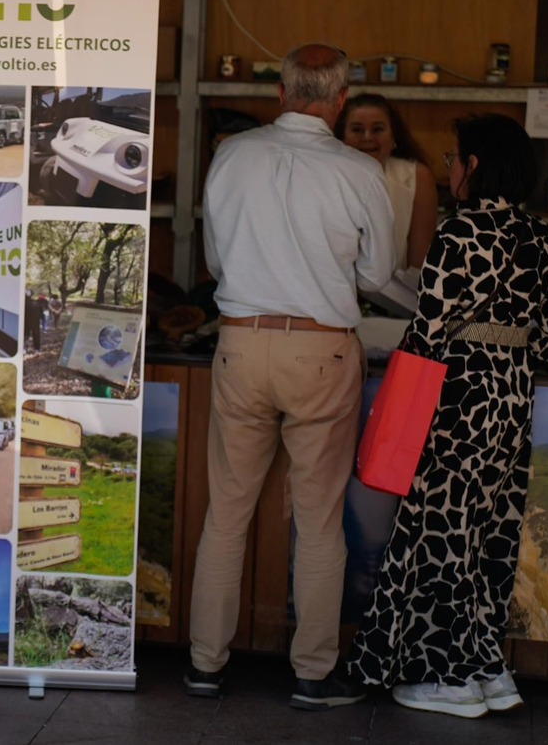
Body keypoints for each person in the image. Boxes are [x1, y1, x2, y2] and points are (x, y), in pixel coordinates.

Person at [345, 114, 548, 718]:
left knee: (441, 530)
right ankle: (488, 668)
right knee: (493, 531)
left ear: (475, 166)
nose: (448, 168)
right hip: (512, 395)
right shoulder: (538, 235)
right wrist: (509, 339)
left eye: (454, 158)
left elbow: (426, 329)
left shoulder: (460, 232)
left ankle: (445, 677)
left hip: (458, 395)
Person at [188, 43, 396, 710]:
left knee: (227, 514)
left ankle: (203, 665)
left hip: (242, 344)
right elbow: (377, 275)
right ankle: (312, 671)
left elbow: (216, 262)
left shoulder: (231, 157)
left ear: (280, 93)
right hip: (322, 352)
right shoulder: (360, 171)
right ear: (340, 101)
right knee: (319, 519)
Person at [334, 94, 438, 270]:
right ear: (342, 137)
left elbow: (419, 265)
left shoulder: (417, 177)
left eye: (377, 129)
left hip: (396, 292)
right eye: (357, 129)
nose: (367, 137)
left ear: (393, 136)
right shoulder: (326, 175)